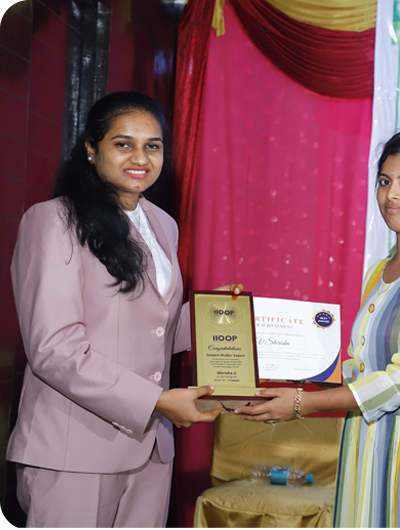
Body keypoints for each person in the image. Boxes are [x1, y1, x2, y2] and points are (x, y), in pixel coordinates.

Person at [7, 91, 241, 528]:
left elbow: (154, 328)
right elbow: (54, 349)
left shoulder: (163, 224)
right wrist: (156, 401)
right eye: (123, 144)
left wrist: (214, 314)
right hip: (75, 448)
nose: (140, 158)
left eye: (153, 145)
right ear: (91, 148)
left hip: (151, 450)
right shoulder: (53, 220)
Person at [236, 128, 400, 528]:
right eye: (384, 181)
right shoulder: (380, 272)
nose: (391, 194)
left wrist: (302, 403)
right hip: (367, 439)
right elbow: (361, 367)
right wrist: (296, 366)